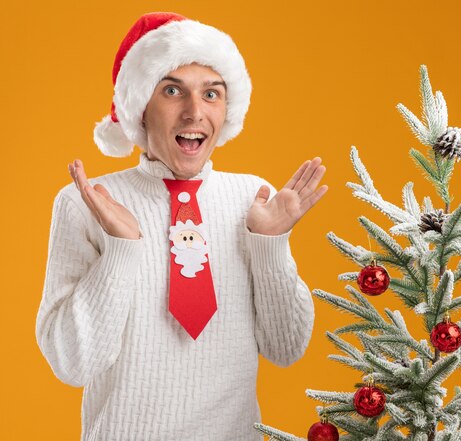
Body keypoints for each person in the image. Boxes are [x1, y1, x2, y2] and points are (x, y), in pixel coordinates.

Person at [35, 12, 327, 441]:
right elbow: (72, 364)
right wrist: (122, 249)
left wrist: (270, 243)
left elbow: (286, 350)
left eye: (212, 93)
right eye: (173, 90)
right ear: (140, 108)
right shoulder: (87, 203)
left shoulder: (255, 199)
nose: (195, 112)